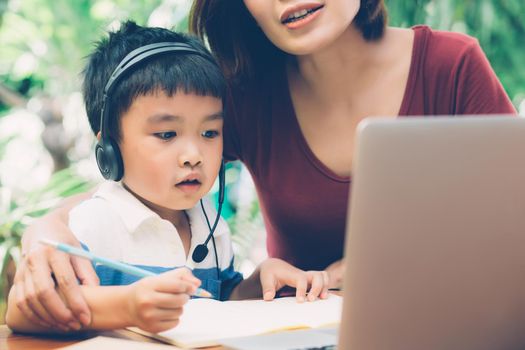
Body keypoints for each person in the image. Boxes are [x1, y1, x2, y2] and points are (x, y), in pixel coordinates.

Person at [14, 0, 517, 330]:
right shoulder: (243, 93)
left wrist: (381, 270)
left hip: (455, 328)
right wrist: (46, 231)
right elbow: (138, 181)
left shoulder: (451, 65)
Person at [6, 21, 329, 334]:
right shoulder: (94, 223)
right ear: (109, 148)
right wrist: (127, 307)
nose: (194, 154)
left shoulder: (210, 226)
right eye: (166, 134)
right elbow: (22, 313)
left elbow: (219, 303)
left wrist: (257, 282)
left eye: (209, 132)